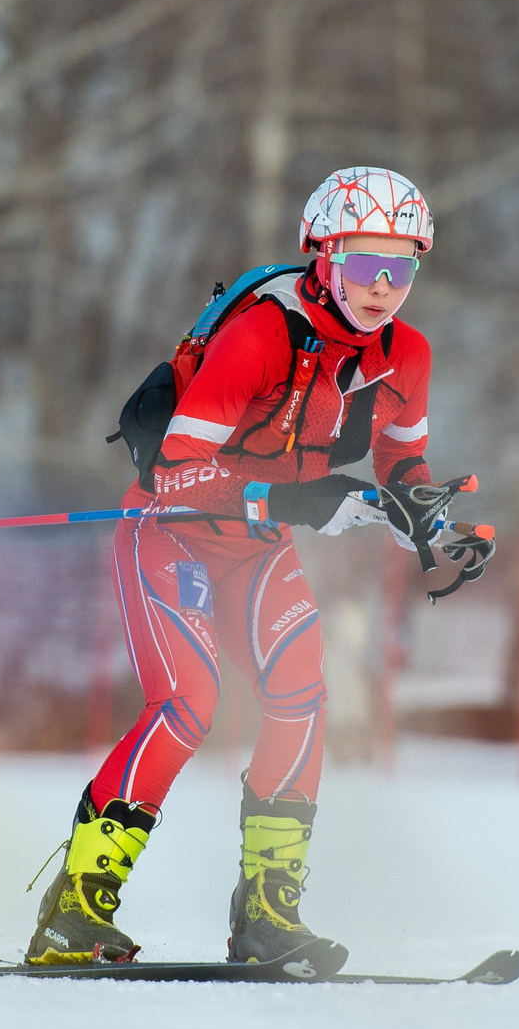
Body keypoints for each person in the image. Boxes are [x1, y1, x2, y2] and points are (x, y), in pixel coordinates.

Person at [27, 166, 459, 966]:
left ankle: (265, 913)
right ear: (320, 256)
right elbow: (180, 471)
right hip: (170, 532)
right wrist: (311, 500)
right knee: (189, 703)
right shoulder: (262, 333)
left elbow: (405, 460)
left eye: (402, 267)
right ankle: (77, 907)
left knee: (301, 696)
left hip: (256, 549)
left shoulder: (408, 355)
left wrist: (424, 514)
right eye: (364, 262)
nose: (383, 286)